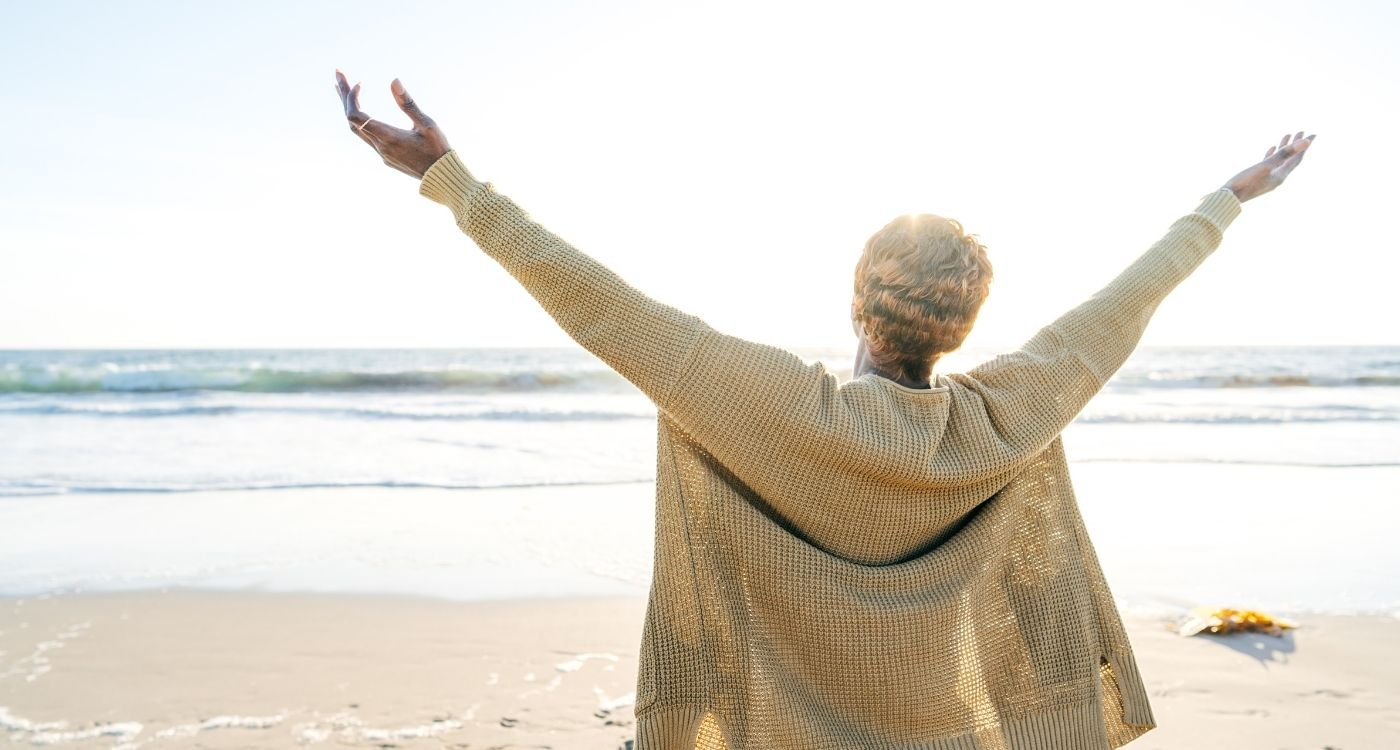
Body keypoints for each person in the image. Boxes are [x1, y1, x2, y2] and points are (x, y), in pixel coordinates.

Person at [334, 70, 1314, 750]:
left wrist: (447, 180)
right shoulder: (1004, 415)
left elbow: (593, 299)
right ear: (963, 326)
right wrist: (1230, 198)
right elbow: (1125, 301)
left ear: (856, 299)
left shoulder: (765, 405)